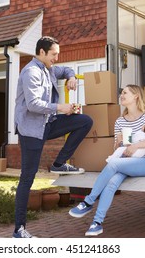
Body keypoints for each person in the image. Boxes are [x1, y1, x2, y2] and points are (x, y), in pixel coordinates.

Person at [13, 36, 93, 238]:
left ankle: (59, 163)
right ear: (41, 52)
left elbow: (64, 70)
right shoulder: (31, 72)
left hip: (47, 124)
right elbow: (33, 105)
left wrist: (72, 76)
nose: (57, 58)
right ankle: (19, 229)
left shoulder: (48, 69)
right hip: (31, 131)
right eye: (54, 54)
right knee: (27, 178)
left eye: (57, 54)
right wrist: (61, 107)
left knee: (84, 121)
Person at [69, 84, 145, 236]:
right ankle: (97, 223)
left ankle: (88, 202)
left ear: (136, 96)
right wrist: (119, 142)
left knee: (113, 164)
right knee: (112, 183)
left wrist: (136, 146)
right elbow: (116, 149)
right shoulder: (120, 122)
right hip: (125, 160)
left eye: (125, 92)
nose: (122, 95)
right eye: (121, 93)